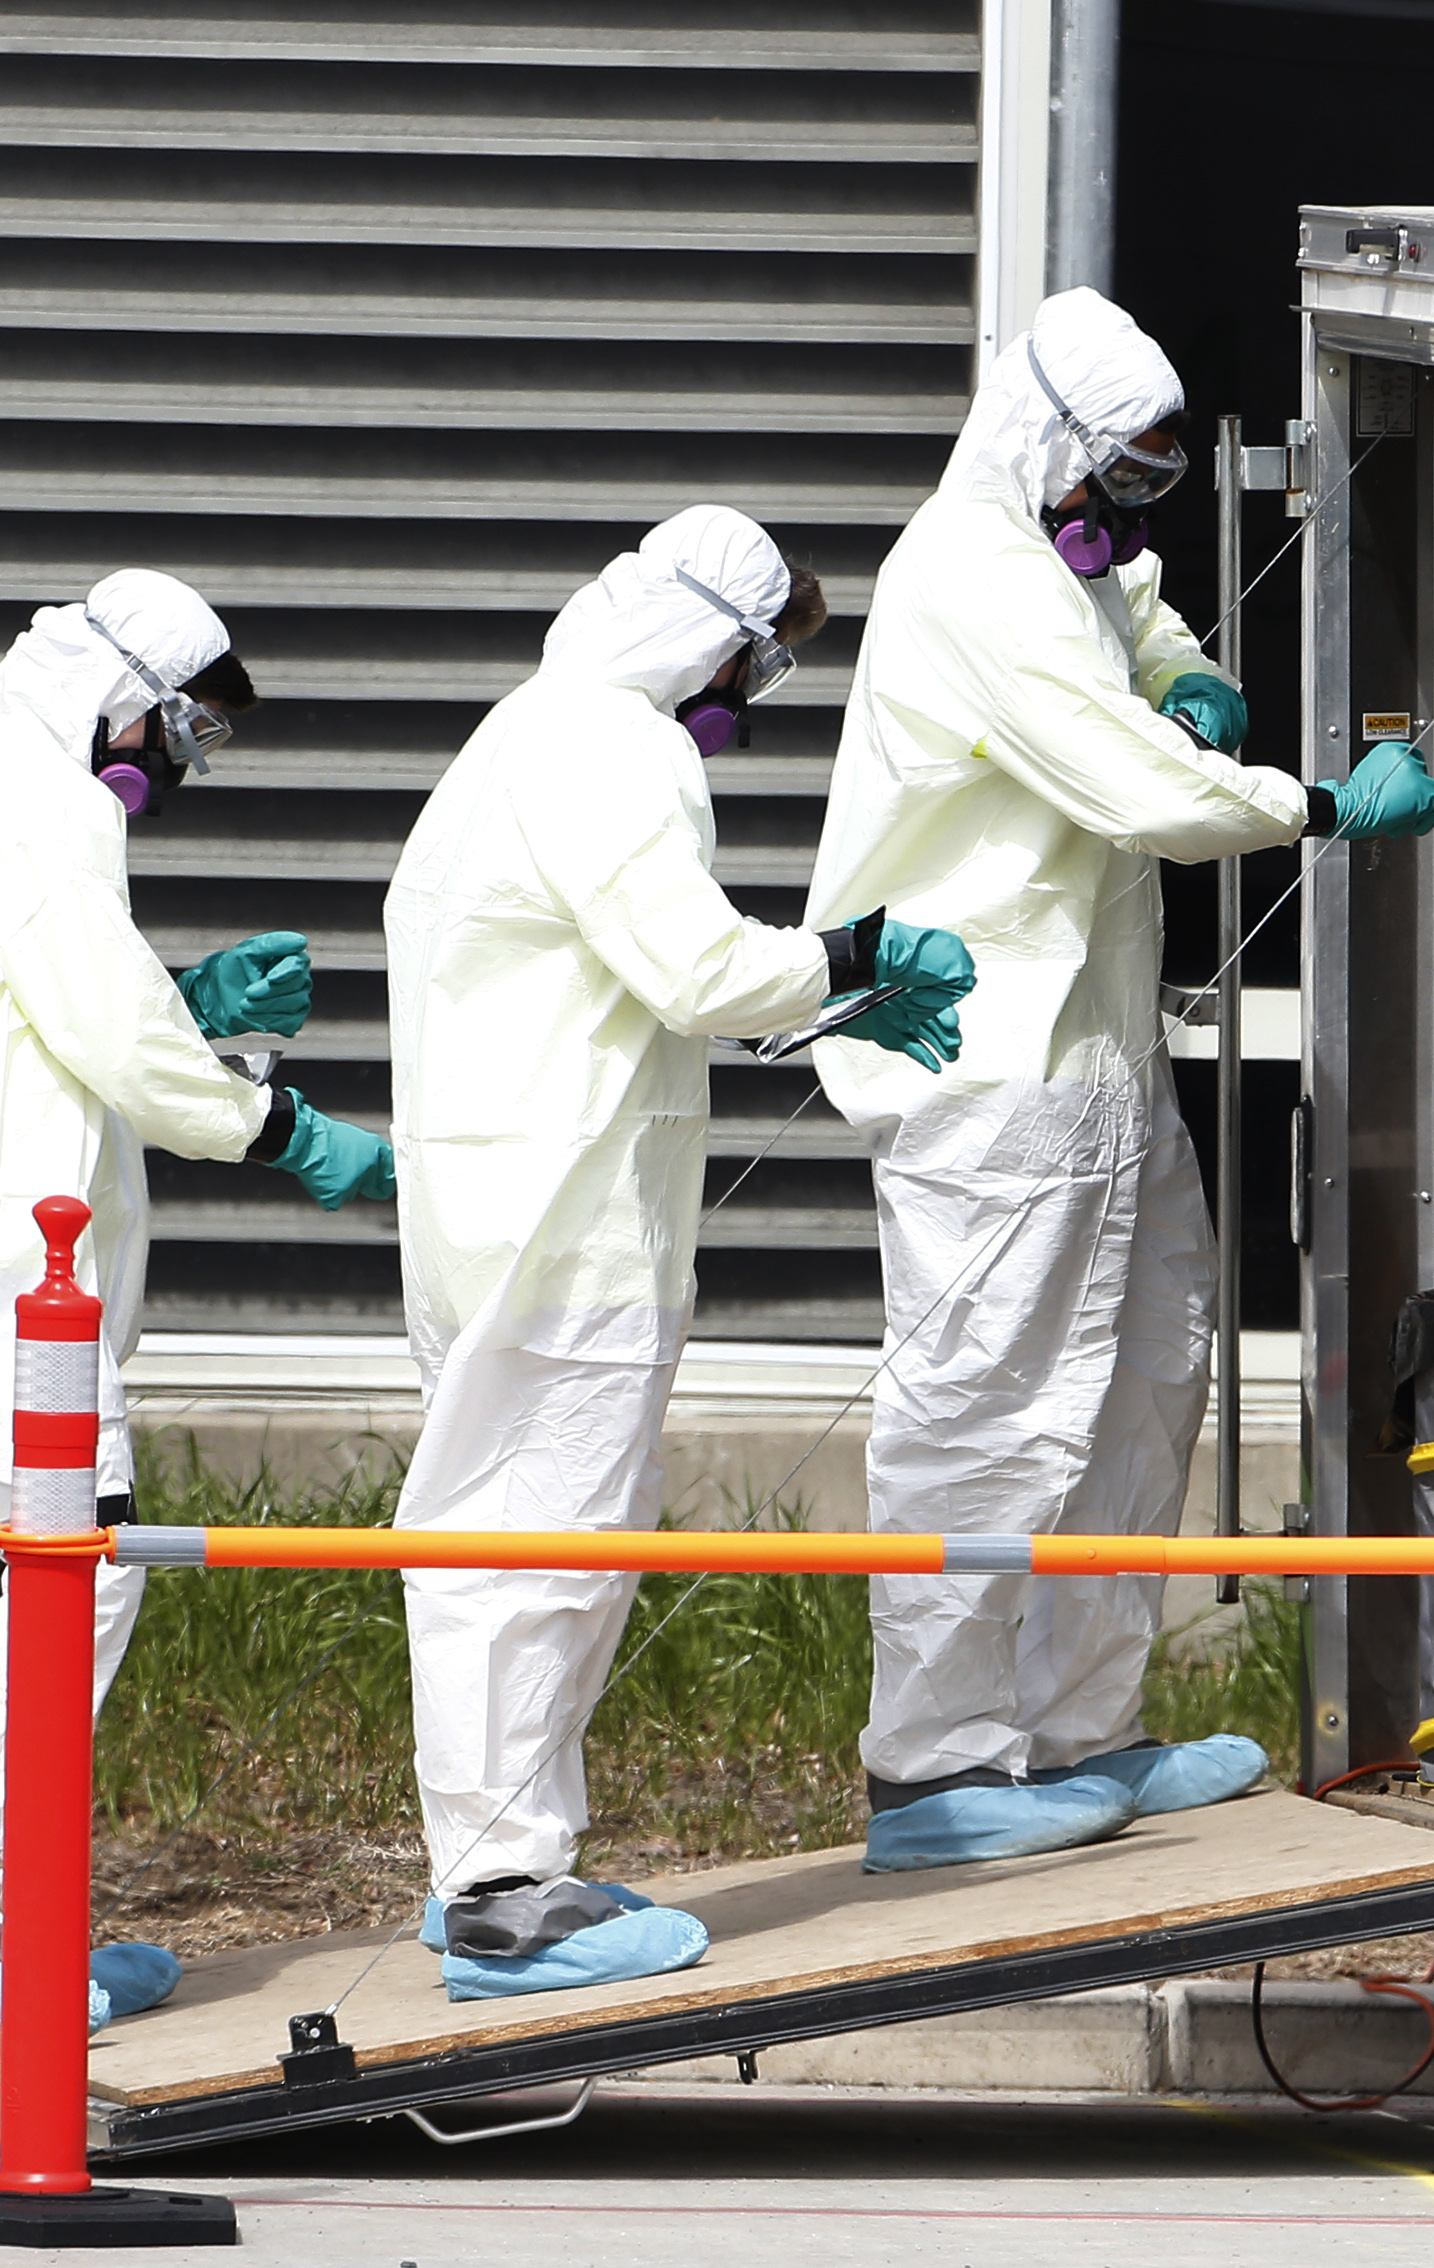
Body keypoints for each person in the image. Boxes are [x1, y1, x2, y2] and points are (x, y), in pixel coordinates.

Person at [803, 287, 1434, 1874]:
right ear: (1048, 444)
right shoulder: (971, 578)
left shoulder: (1058, 557)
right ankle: (932, 1769)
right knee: (986, 1415)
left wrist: (1188, 665)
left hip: (1096, 1056)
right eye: (1124, 480)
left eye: (1159, 484)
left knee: (1149, 1377)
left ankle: (1078, 1731)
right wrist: (1307, 802)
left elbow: (1133, 620)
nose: (1131, 513)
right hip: (989, 1063)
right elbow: (1124, 779)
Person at [386, 505, 975, 1998]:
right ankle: (503, 1889)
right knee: (543, 1543)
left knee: (514, 1531)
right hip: (567, 1225)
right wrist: (853, 955)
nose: (749, 703)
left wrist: (821, 999)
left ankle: (509, 1860)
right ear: (715, 635)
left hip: (497, 1207)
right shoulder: (618, 743)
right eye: (761, 668)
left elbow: (632, 969)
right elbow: (694, 964)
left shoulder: (525, 731)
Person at [0, 569, 392, 2045]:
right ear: (121, 690)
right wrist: (272, 1122)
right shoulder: (50, 797)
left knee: (44, 1571)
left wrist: (188, 1004)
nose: (175, 767)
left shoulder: (0, 777)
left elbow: (39, 1000)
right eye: (181, 732)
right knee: (81, 1560)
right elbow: (95, 1026)